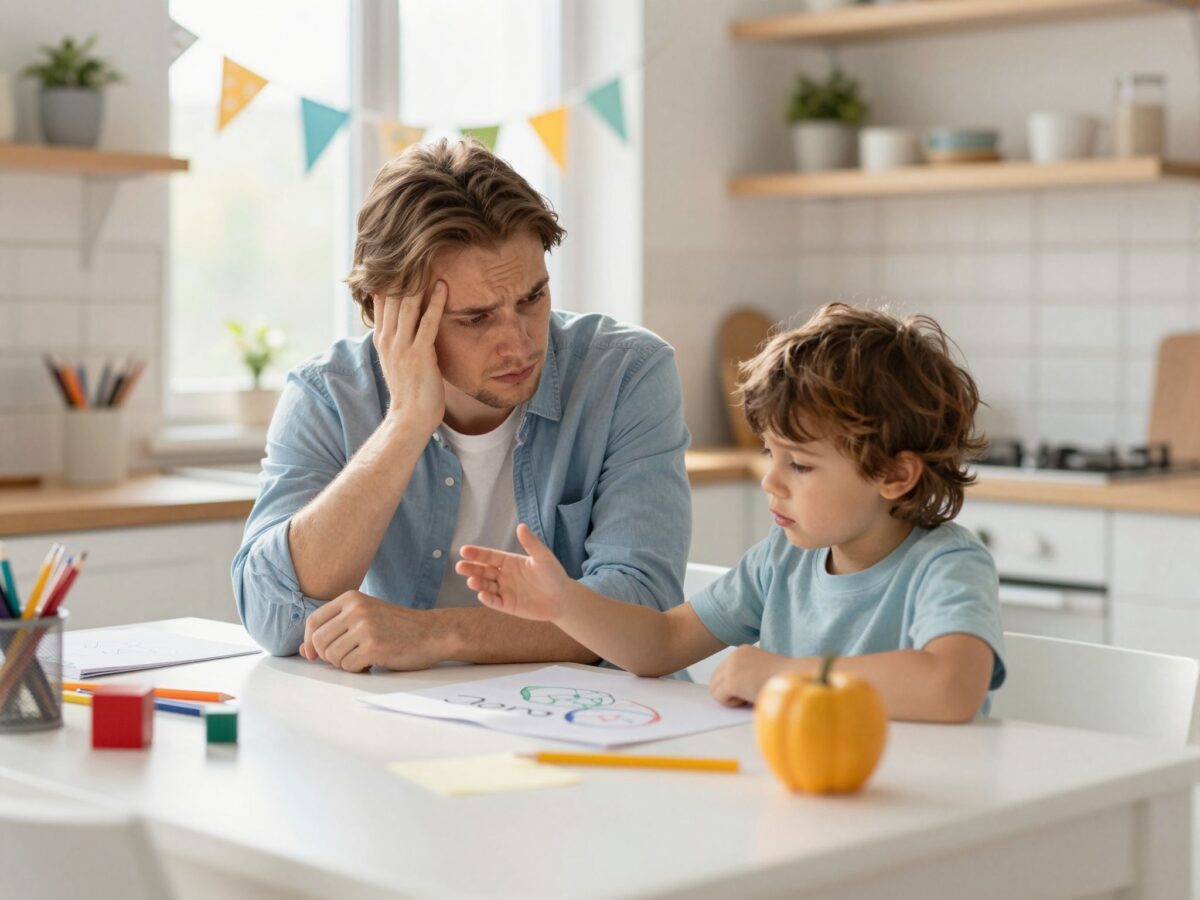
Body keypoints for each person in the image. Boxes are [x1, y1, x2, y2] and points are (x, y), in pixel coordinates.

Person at [232, 139, 691, 671]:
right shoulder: (329, 394)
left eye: (533, 298)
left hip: (580, 722)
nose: (519, 343)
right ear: (389, 314)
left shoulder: (627, 374)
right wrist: (405, 424)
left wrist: (437, 635)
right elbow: (274, 616)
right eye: (475, 318)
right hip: (396, 725)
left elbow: (641, 606)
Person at [456, 303, 1006, 721]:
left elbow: (951, 687)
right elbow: (663, 645)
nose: (771, 480)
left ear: (894, 474)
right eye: (772, 454)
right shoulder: (781, 562)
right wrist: (563, 603)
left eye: (802, 466)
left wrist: (787, 678)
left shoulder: (947, 565)